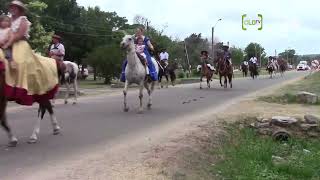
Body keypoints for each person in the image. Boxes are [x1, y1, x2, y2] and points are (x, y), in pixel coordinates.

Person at [0, 0, 58, 106]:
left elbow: (19, 35)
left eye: (15, 7)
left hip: (20, 44)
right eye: (12, 7)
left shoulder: (23, 20)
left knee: (20, 62)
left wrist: (8, 42)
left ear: (20, 9)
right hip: (6, 43)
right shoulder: (7, 19)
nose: (13, 9)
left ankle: (16, 89)